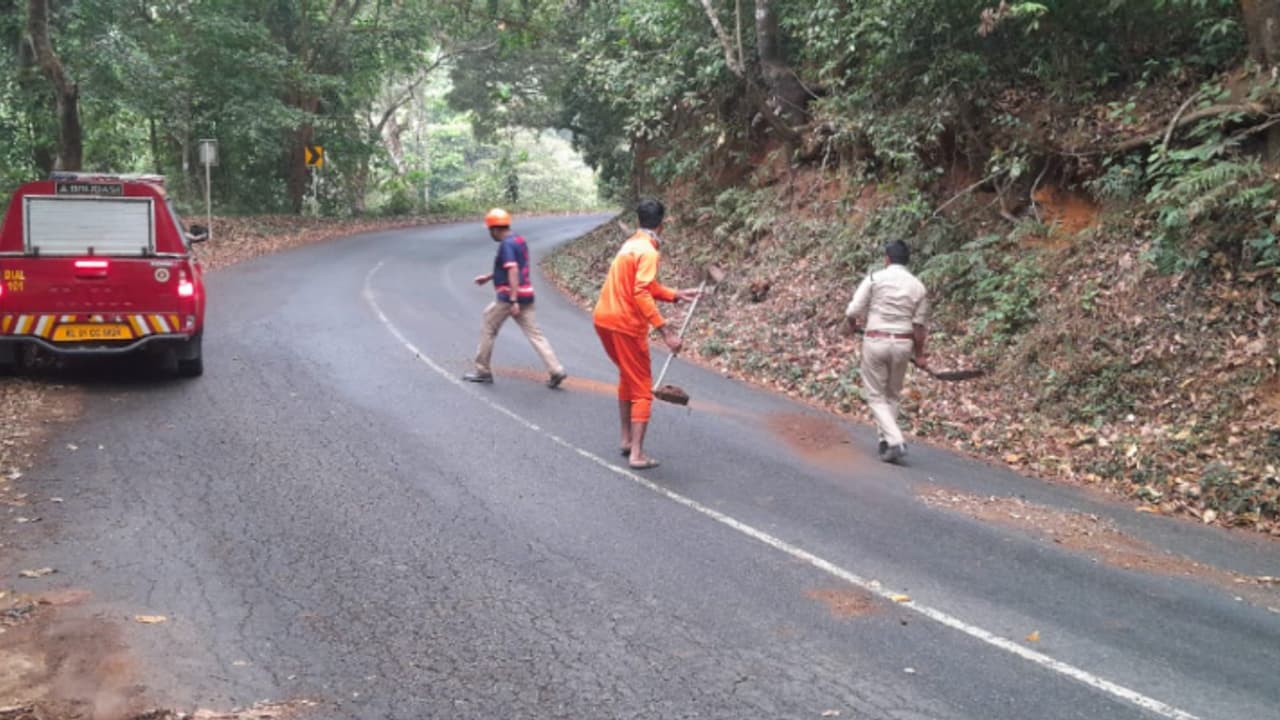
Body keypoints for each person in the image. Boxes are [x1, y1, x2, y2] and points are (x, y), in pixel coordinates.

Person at [592, 199, 700, 470]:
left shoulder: (631, 245)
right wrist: (665, 331)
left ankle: (627, 439)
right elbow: (640, 292)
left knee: (628, 378)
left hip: (604, 319)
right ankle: (637, 454)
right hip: (626, 324)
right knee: (642, 387)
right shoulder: (649, 252)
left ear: (639, 221)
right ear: (662, 225)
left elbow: (644, 285)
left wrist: (674, 295)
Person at [844, 240, 930, 463]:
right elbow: (919, 328)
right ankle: (886, 443)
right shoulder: (918, 286)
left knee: (875, 395)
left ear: (887, 259)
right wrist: (919, 355)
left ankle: (895, 441)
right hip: (903, 344)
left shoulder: (875, 278)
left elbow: (853, 310)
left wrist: (852, 323)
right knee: (892, 394)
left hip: (876, 341)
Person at [463, 208, 568, 388]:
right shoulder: (519, 240)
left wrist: (513, 300)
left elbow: (512, 270)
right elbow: (512, 267)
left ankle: (482, 371)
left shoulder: (506, 245)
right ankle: (556, 369)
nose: (490, 234)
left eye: (490, 230)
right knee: (535, 334)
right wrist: (489, 277)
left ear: (495, 229)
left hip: (509, 297)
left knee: (488, 325)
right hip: (527, 293)